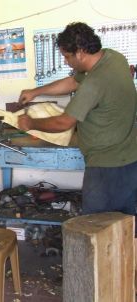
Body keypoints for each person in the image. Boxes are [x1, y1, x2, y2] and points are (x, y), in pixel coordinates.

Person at [17, 22, 137, 218]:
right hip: (130, 158)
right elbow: (73, 81)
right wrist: (36, 92)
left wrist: (30, 123)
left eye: (67, 56)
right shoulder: (114, 58)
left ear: (80, 52)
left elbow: (64, 122)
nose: (65, 62)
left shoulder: (94, 82)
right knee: (126, 225)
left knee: (96, 226)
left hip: (106, 167)